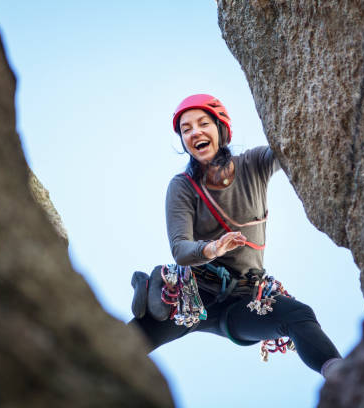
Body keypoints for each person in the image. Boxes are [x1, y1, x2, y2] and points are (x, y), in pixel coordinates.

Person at [130, 94, 341, 377]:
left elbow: (291, 146)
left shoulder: (254, 163)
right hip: (193, 292)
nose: (195, 132)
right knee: (130, 342)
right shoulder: (183, 186)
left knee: (298, 315)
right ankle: (151, 288)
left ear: (221, 129)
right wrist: (213, 249)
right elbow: (180, 248)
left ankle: (343, 377)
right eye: (186, 129)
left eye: (203, 123)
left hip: (246, 298)